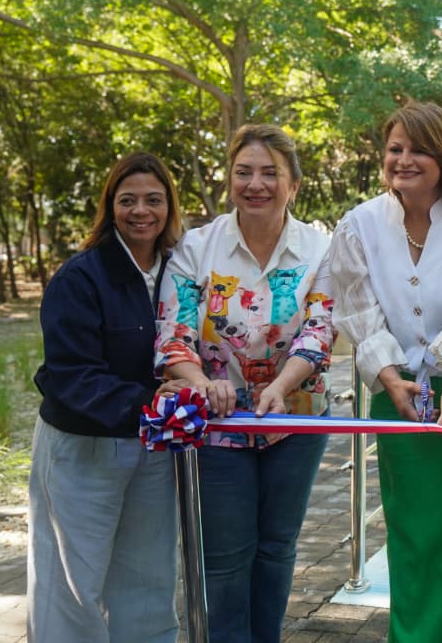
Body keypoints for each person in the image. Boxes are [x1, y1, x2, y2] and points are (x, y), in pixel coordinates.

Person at [327, 101, 442, 643]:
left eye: (418, 149)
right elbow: (358, 312)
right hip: (397, 392)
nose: (403, 160)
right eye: (395, 149)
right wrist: (387, 377)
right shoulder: (358, 225)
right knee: (417, 531)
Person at [155, 124, 336, 643]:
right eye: (243, 172)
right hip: (216, 423)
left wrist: (283, 384)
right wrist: (197, 381)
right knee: (226, 557)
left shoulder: (320, 249)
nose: (256, 184)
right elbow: (174, 330)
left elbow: (321, 330)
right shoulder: (197, 247)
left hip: (294, 417)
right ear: (229, 180)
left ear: (293, 184)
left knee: (278, 546)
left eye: (270, 173)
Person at [28, 152, 183, 642]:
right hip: (84, 447)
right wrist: (153, 404)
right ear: (109, 206)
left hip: (153, 446)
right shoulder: (79, 277)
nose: (141, 211)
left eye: (153, 200)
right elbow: (72, 375)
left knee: (149, 576)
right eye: (128, 200)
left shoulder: (179, 272)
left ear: (169, 207)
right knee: (72, 583)